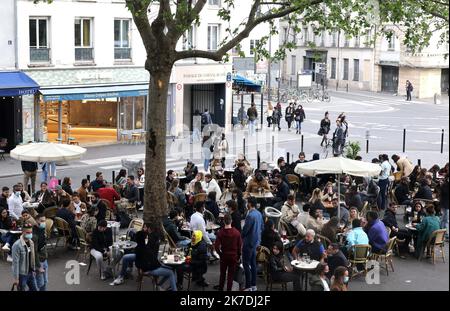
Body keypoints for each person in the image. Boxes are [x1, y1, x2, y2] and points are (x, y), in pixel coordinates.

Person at [136, 222, 178, 291]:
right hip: (149, 269)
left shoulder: (139, 247)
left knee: (171, 270)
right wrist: (160, 265)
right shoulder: (146, 248)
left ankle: (158, 285)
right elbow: (151, 262)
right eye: (145, 237)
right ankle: (169, 288)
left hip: (149, 267)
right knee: (170, 272)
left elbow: (150, 260)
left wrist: (160, 265)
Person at [214, 213, 242, 291]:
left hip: (224, 256)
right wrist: (239, 256)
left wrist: (220, 254)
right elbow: (239, 246)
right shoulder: (237, 233)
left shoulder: (220, 232)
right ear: (231, 221)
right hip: (233, 257)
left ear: (223, 221)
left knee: (222, 274)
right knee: (230, 275)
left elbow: (216, 246)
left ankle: (220, 288)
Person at [242, 197, 264, 291]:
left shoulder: (250, 215)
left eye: (247, 202)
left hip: (248, 243)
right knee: (253, 264)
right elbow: (262, 227)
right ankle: (254, 285)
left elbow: (245, 230)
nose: (246, 204)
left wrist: (241, 235)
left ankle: (248, 286)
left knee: (246, 264)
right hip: (256, 242)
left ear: (250, 204)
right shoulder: (259, 214)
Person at [11, 223, 38, 291]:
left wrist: (33, 269)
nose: (30, 234)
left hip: (30, 272)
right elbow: (15, 263)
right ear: (23, 232)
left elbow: (32, 257)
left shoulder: (31, 242)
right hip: (22, 275)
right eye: (28, 232)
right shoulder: (16, 245)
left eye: (31, 232)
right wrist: (16, 278)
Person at [32, 214, 48, 291]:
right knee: (40, 283)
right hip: (39, 261)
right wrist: (38, 266)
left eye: (44, 220)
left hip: (44, 259)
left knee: (45, 281)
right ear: (36, 221)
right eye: (41, 221)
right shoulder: (34, 235)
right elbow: (34, 252)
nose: (44, 222)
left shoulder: (42, 229)